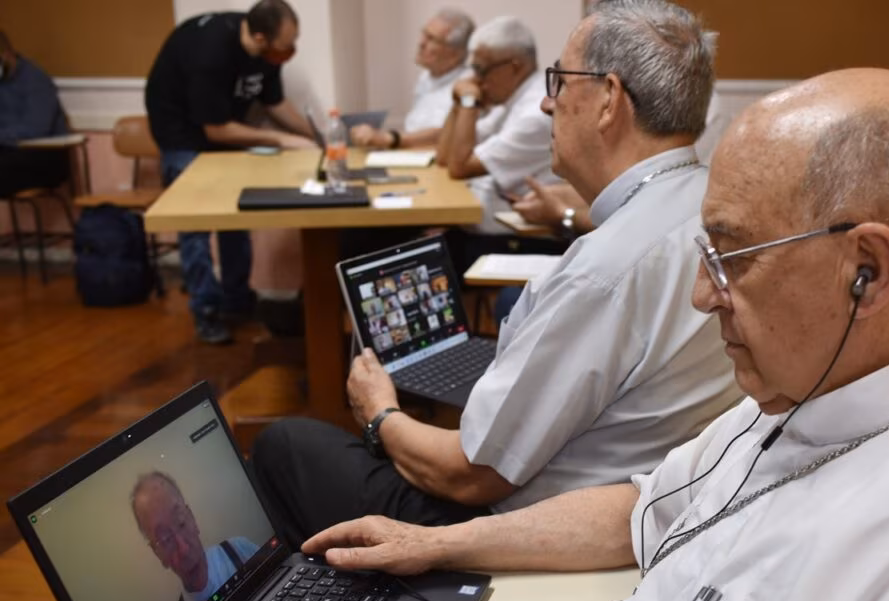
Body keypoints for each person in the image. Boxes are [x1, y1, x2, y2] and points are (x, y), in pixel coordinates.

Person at [301, 67, 889, 601]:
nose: (703, 295)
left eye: (733, 257)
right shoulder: (809, 392)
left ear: (866, 271)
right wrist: (433, 545)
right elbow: (643, 509)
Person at [251, 0, 741, 550]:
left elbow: (469, 475)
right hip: (651, 503)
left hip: (513, 529)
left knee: (284, 444)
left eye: (559, 81)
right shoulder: (716, 208)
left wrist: (379, 412)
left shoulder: (603, 272)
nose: (544, 100)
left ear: (608, 100)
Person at [145, 0, 315, 345]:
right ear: (259, 37)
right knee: (194, 225)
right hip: (182, 134)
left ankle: (237, 300)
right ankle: (205, 309)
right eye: (286, 45)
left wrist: (313, 136)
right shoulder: (210, 53)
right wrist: (281, 139)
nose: (291, 52)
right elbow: (216, 130)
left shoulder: (265, 52)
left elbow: (275, 103)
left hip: (222, 131)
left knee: (237, 218)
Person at [435, 16, 560, 240]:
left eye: (481, 70)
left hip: (516, 241)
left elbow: (459, 167)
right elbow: (444, 156)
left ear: (515, 67)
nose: (477, 80)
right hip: (487, 228)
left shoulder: (535, 112)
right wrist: (458, 102)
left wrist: (468, 101)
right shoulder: (514, 101)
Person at [130, 472, 259, 601]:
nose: (183, 549)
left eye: (181, 522)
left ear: (192, 518)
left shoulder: (239, 550)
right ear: (158, 554)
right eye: (165, 540)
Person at [350, 9, 476, 150]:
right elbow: (417, 128)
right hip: (412, 155)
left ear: (455, 54)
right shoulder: (426, 77)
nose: (421, 43)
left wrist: (388, 138)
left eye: (432, 39)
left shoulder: (469, 84)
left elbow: (448, 133)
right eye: (424, 34)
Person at [0, 30, 71, 197]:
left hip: (43, 156)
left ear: (7, 54)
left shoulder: (35, 80)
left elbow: (36, 129)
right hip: (9, 153)